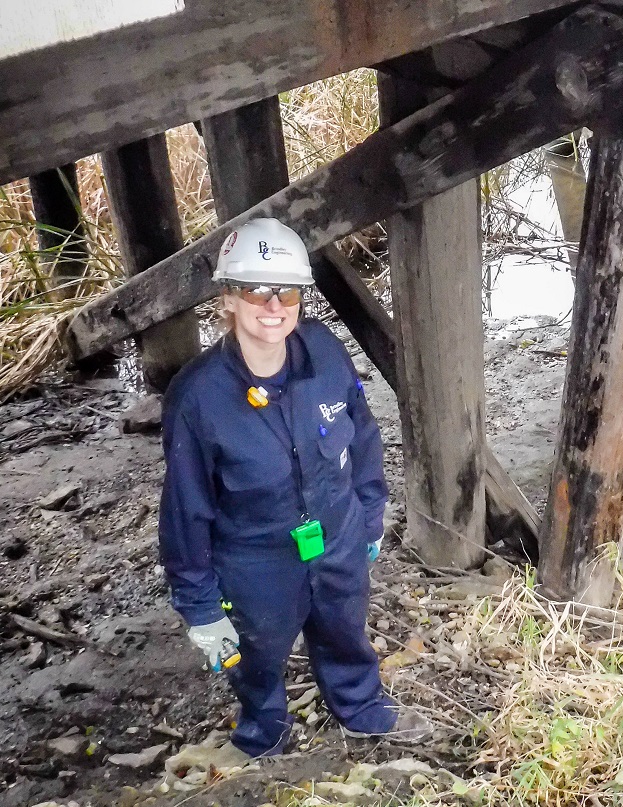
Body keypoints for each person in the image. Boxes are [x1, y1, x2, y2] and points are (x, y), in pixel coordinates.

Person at [158, 218, 429, 757]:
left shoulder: (324, 352)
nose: (274, 305)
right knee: (255, 654)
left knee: (345, 630)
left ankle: (360, 706)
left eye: (286, 291)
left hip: (337, 534)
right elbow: (186, 512)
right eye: (256, 290)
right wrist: (200, 607)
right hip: (255, 558)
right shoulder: (197, 398)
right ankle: (264, 731)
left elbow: (365, 435)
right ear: (229, 298)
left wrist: (370, 516)